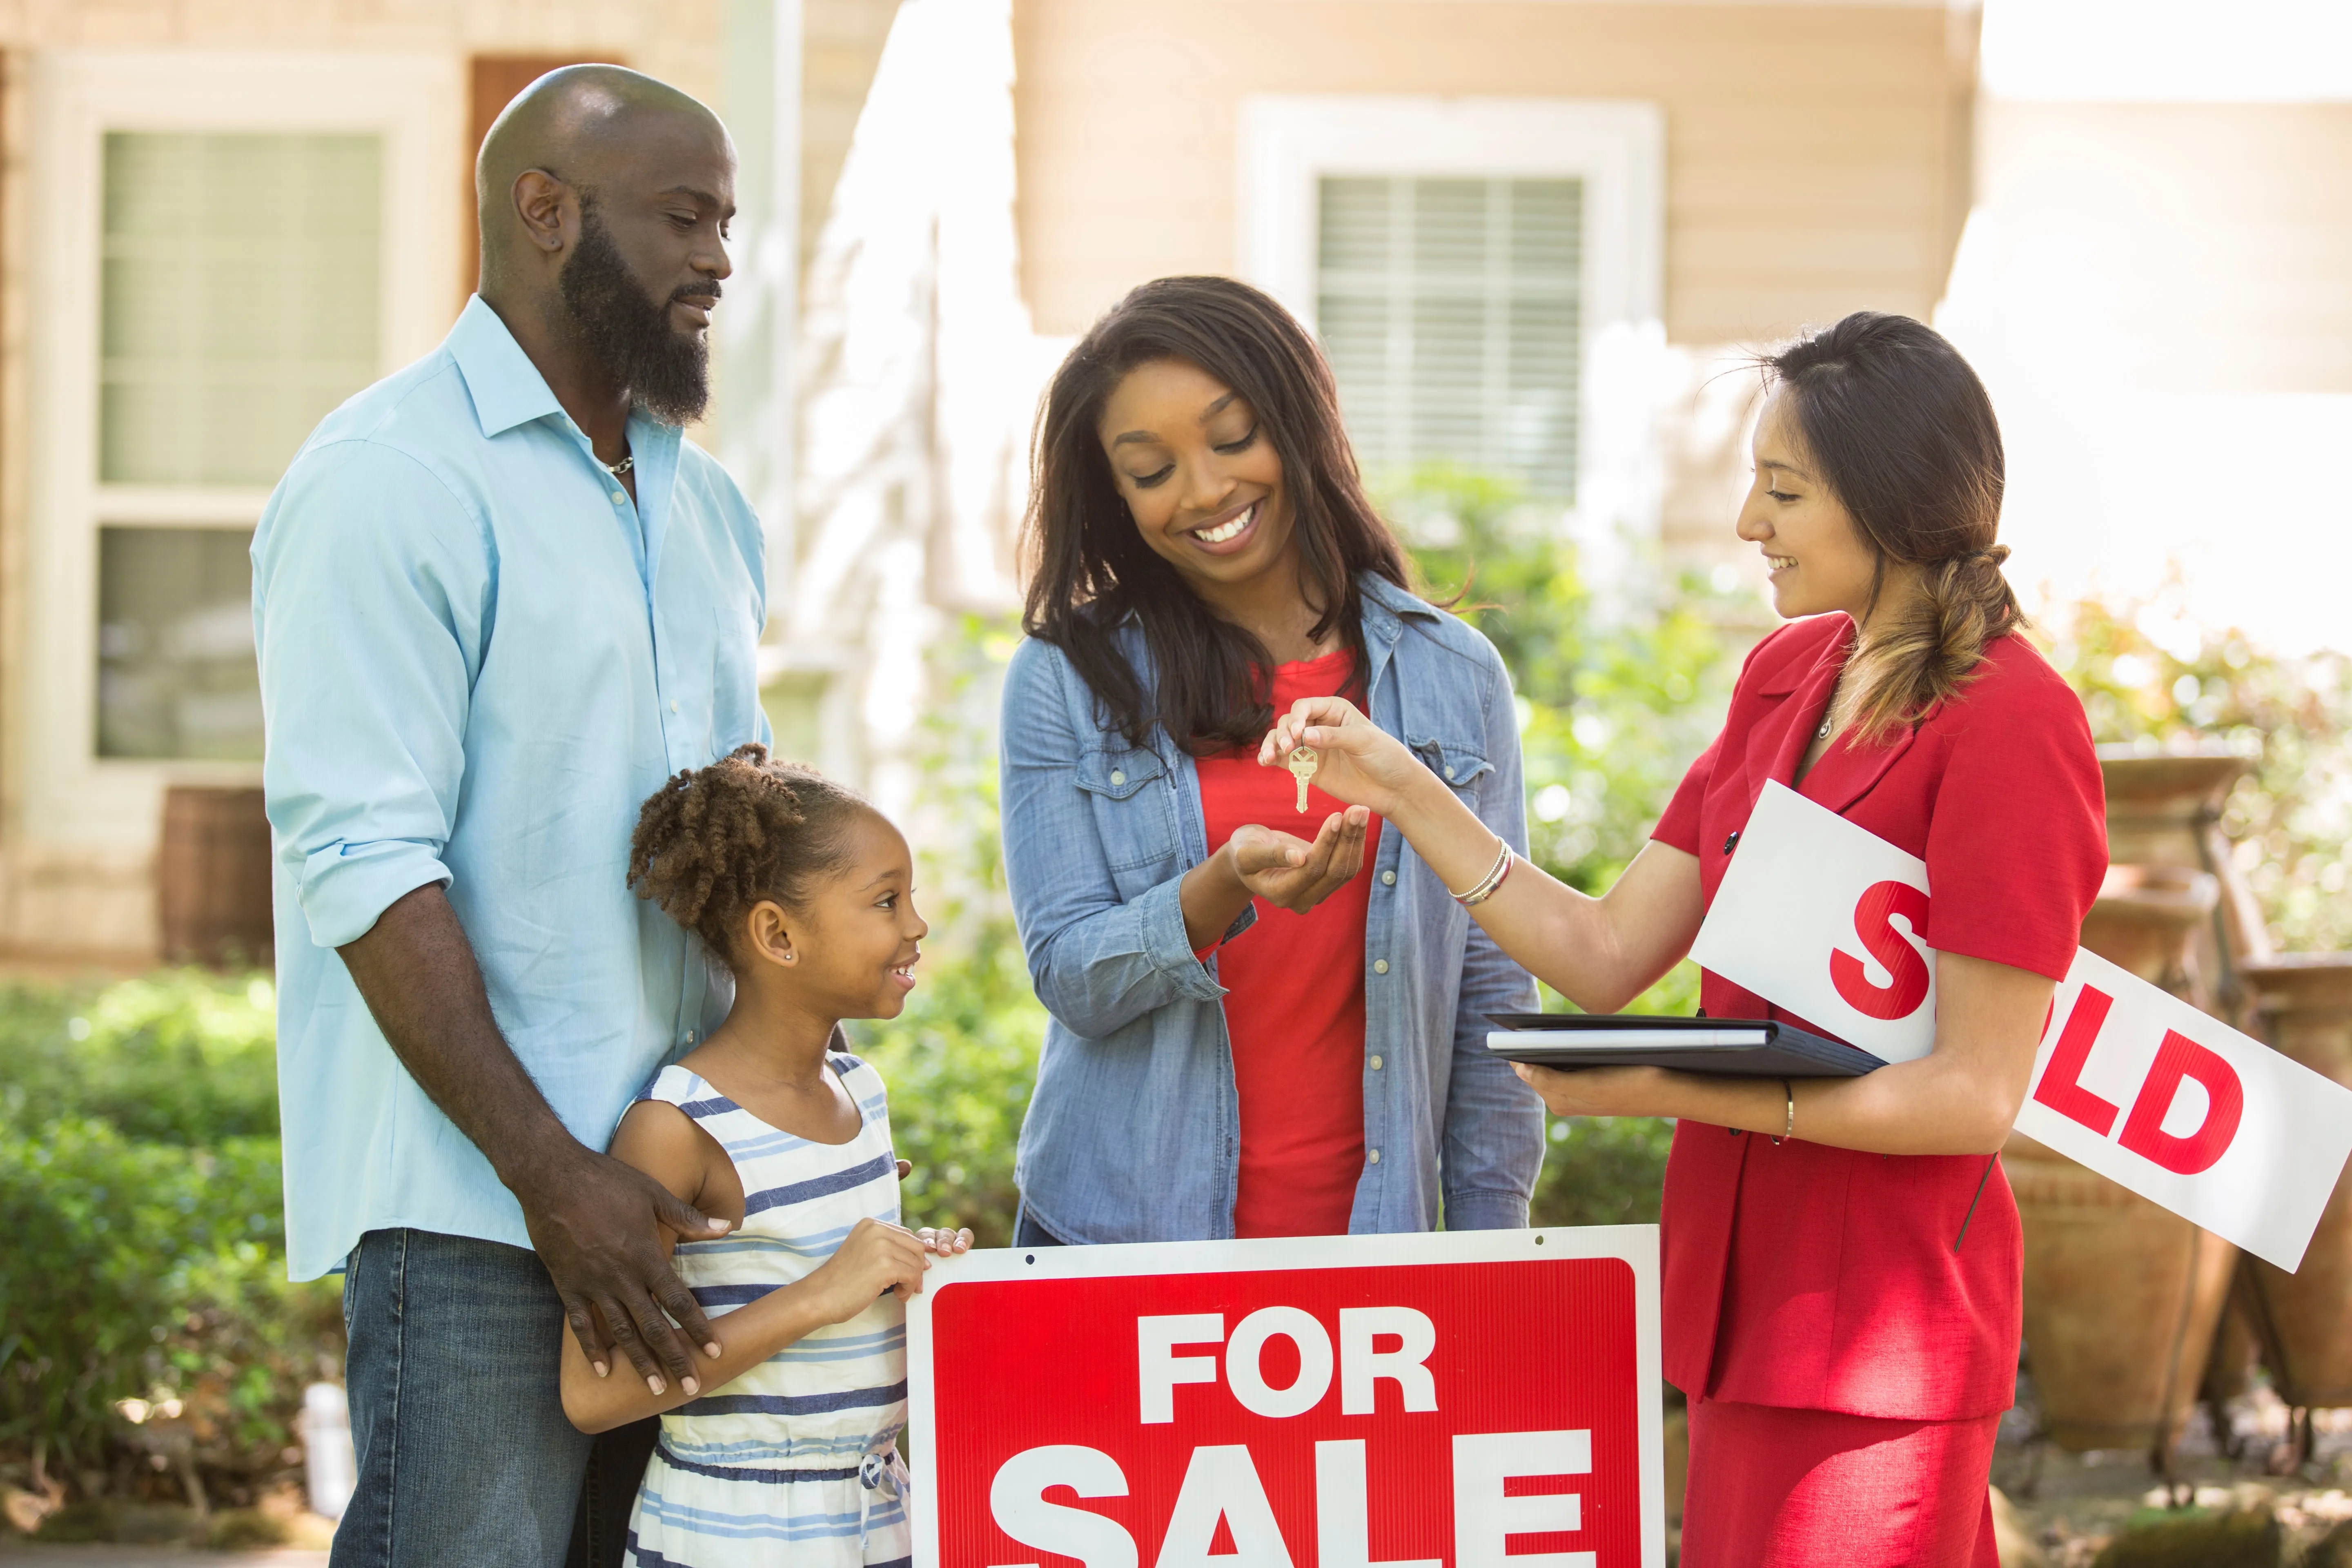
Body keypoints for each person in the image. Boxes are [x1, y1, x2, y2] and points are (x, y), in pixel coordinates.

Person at [1261, 312, 2105, 1566]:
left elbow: (1977, 1095)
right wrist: (1399, 788)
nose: (1750, 524)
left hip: (1885, 1333)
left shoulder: (2014, 723)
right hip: (1740, 1305)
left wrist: (1684, 1090)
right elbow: (1605, 953)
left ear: (1893, 503)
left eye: (1784, 490)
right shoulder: (1785, 679)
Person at [254, 66, 769, 1568]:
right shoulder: (385, 482)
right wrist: (555, 1180)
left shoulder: (705, 506)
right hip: (482, 1211)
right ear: (545, 210)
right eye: (684, 218)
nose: (720, 260)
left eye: (727, 222)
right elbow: (360, 863)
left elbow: (740, 841)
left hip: (682, 1194)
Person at [1000, 275, 1543, 1247]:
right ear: (1115, 495)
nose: (1206, 491)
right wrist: (1217, 889)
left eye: (1232, 436)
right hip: (1118, 1242)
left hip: (1369, 1249)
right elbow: (1072, 978)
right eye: (1150, 468)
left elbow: (1492, 999)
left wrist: (1495, 1250)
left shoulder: (1454, 677)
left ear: (1296, 423)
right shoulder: (1065, 679)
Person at [561, 746, 973, 1568]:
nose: (917, 926)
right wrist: (822, 1294)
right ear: (779, 936)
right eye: (887, 901)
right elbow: (594, 1395)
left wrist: (919, 1277)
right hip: (735, 1535)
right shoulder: (679, 1127)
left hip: (880, 1518)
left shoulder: (863, 1093)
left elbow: (853, 1294)